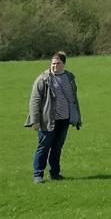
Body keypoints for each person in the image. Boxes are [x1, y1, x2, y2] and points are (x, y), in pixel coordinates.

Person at [26, 51, 82, 183]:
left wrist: (77, 117)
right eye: (53, 63)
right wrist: (35, 120)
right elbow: (35, 100)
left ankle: (55, 173)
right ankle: (38, 175)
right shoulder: (43, 79)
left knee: (57, 148)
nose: (55, 66)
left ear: (64, 64)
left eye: (58, 63)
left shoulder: (69, 78)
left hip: (64, 120)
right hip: (47, 120)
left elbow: (74, 99)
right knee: (43, 147)